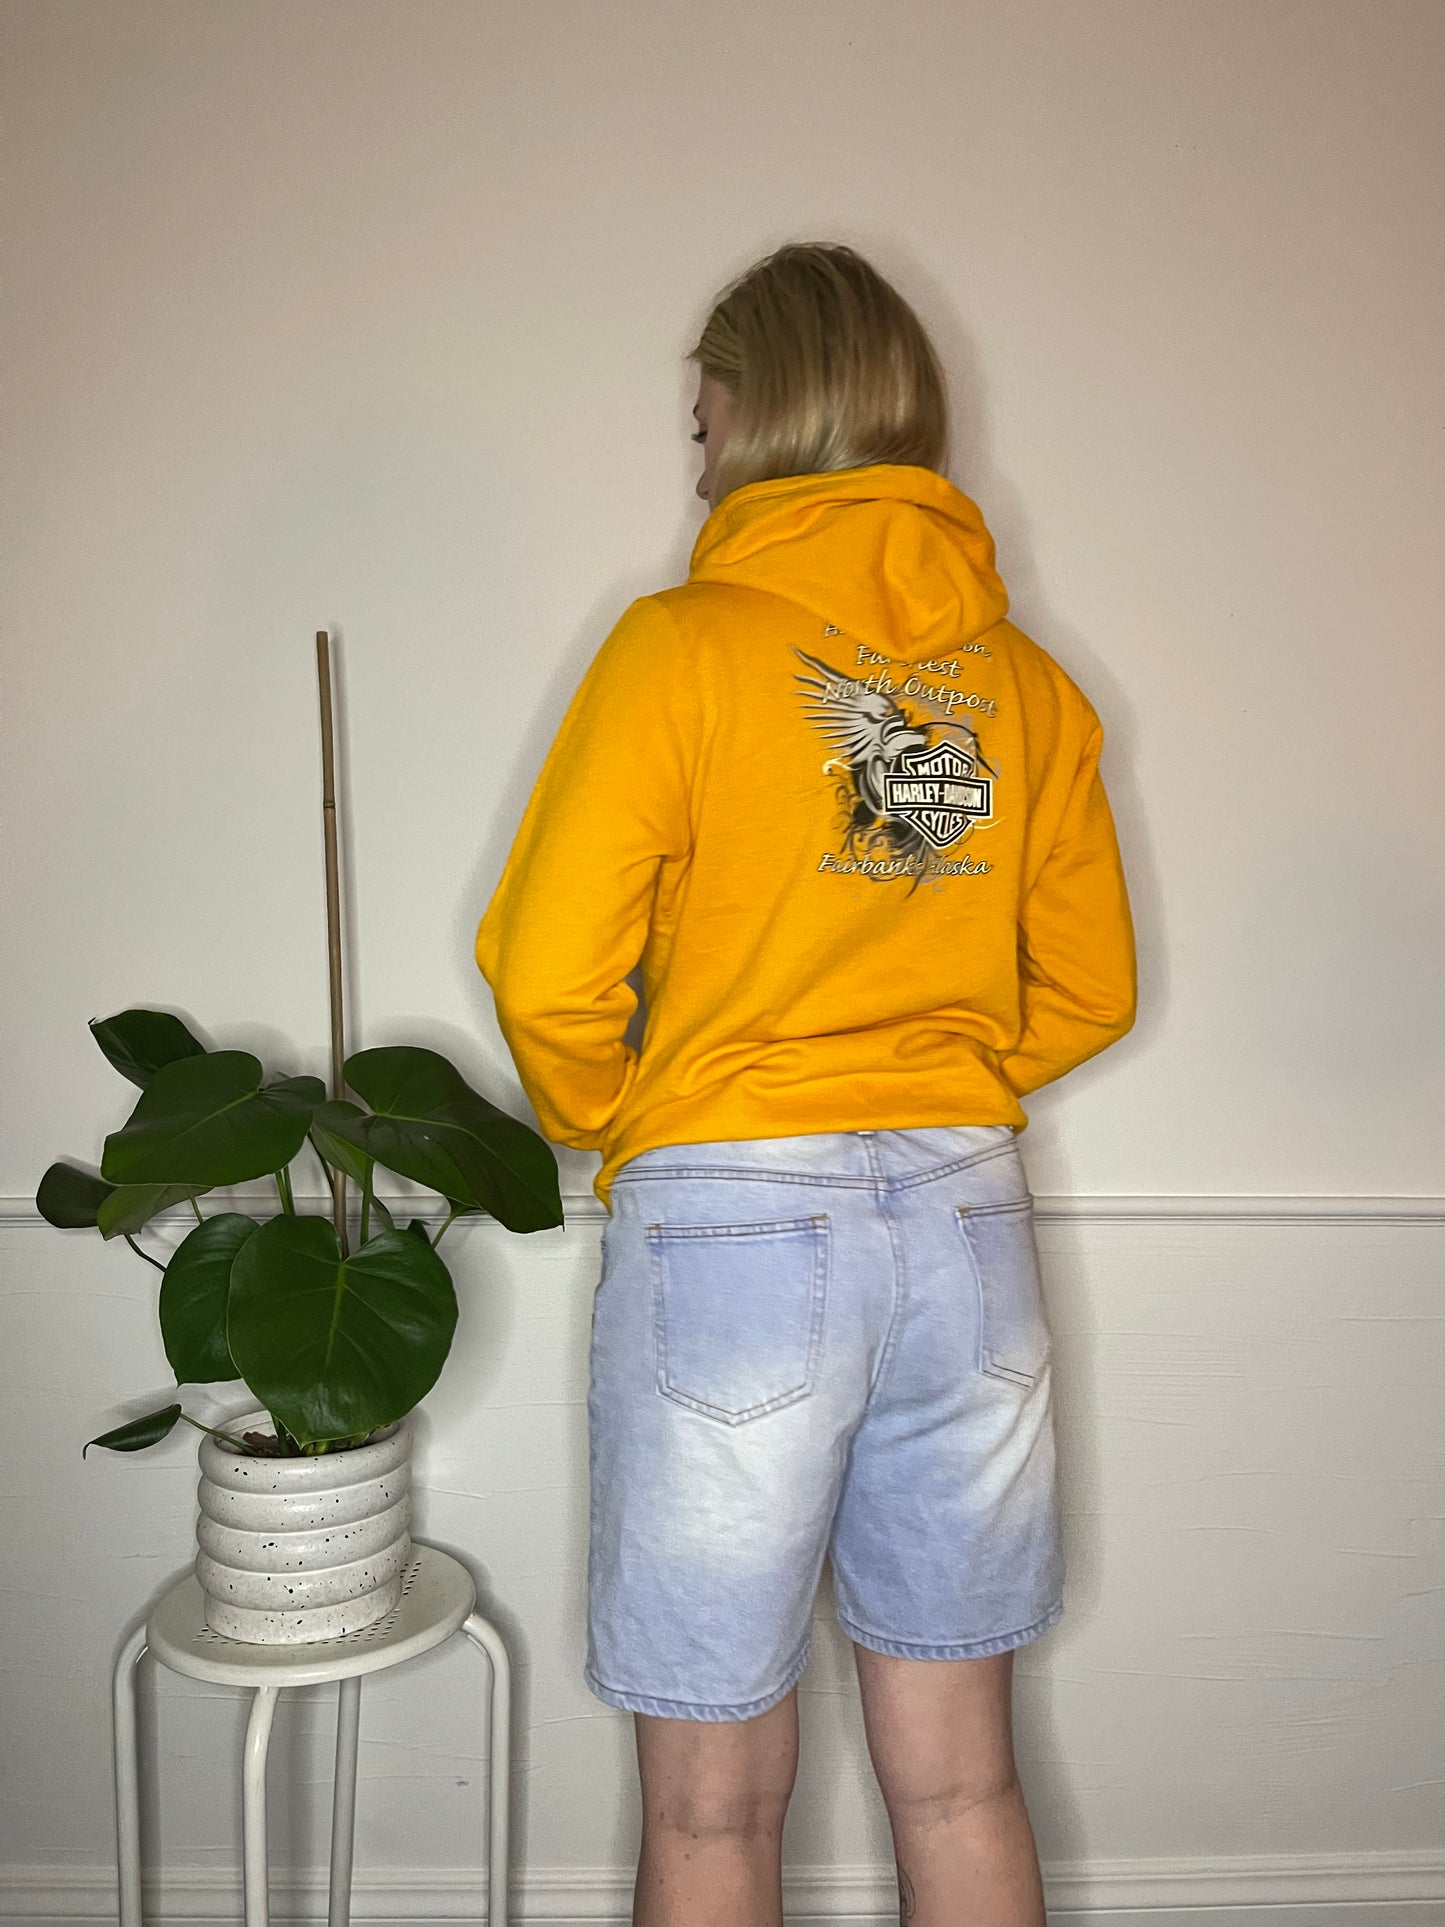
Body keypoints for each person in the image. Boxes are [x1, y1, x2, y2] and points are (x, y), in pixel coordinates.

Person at [475, 241, 1136, 1927]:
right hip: (968, 1227)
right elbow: (1090, 990)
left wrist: (622, 1116)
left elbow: (545, 969)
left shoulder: (679, 648)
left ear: (758, 413)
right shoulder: (1027, 689)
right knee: (962, 1777)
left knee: (713, 1811)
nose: (695, 460)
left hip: (733, 1232)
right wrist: (932, 1078)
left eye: (700, 423)